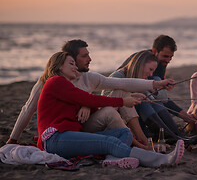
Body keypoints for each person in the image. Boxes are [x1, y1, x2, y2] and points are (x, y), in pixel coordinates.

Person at [6, 39, 174, 145]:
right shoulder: (48, 82)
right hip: (66, 132)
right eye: (84, 56)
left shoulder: (89, 78)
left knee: (121, 91)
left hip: (87, 125)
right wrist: (13, 139)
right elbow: (28, 109)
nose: (90, 59)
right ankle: (139, 144)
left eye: (89, 55)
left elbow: (122, 82)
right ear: (70, 59)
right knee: (118, 101)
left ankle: (141, 141)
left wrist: (156, 84)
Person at [37, 51, 184, 168]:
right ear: (58, 66)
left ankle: (112, 159)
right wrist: (122, 101)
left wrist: (88, 105)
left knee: (124, 132)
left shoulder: (66, 86)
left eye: (75, 64)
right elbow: (88, 98)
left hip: (69, 135)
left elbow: (89, 101)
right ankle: (161, 160)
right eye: (71, 64)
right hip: (55, 139)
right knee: (108, 142)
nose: (76, 67)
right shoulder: (55, 82)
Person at [103, 50, 193, 143]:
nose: (150, 74)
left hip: (135, 120)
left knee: (154, 101)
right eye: (150, 70)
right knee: (142, 102)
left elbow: (162, 99)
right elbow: (108, 103)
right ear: (140, 65)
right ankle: (170, 137)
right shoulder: (118, 76)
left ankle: (177, 135)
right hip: (117, 120)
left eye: (153, 71)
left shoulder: (138, 77)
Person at [116, 35, 197, 137]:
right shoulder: (141, 60)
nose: (168, 61)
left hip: (142, 97)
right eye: (165, 56)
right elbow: (123, 84)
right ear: (155, 51)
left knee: (156, 99)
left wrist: (183, 115)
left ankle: (177, 135)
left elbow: (161, 98)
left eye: (171, 57)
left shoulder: (160, 64)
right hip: (126, 101)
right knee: (149, 99)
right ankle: (173, 136)